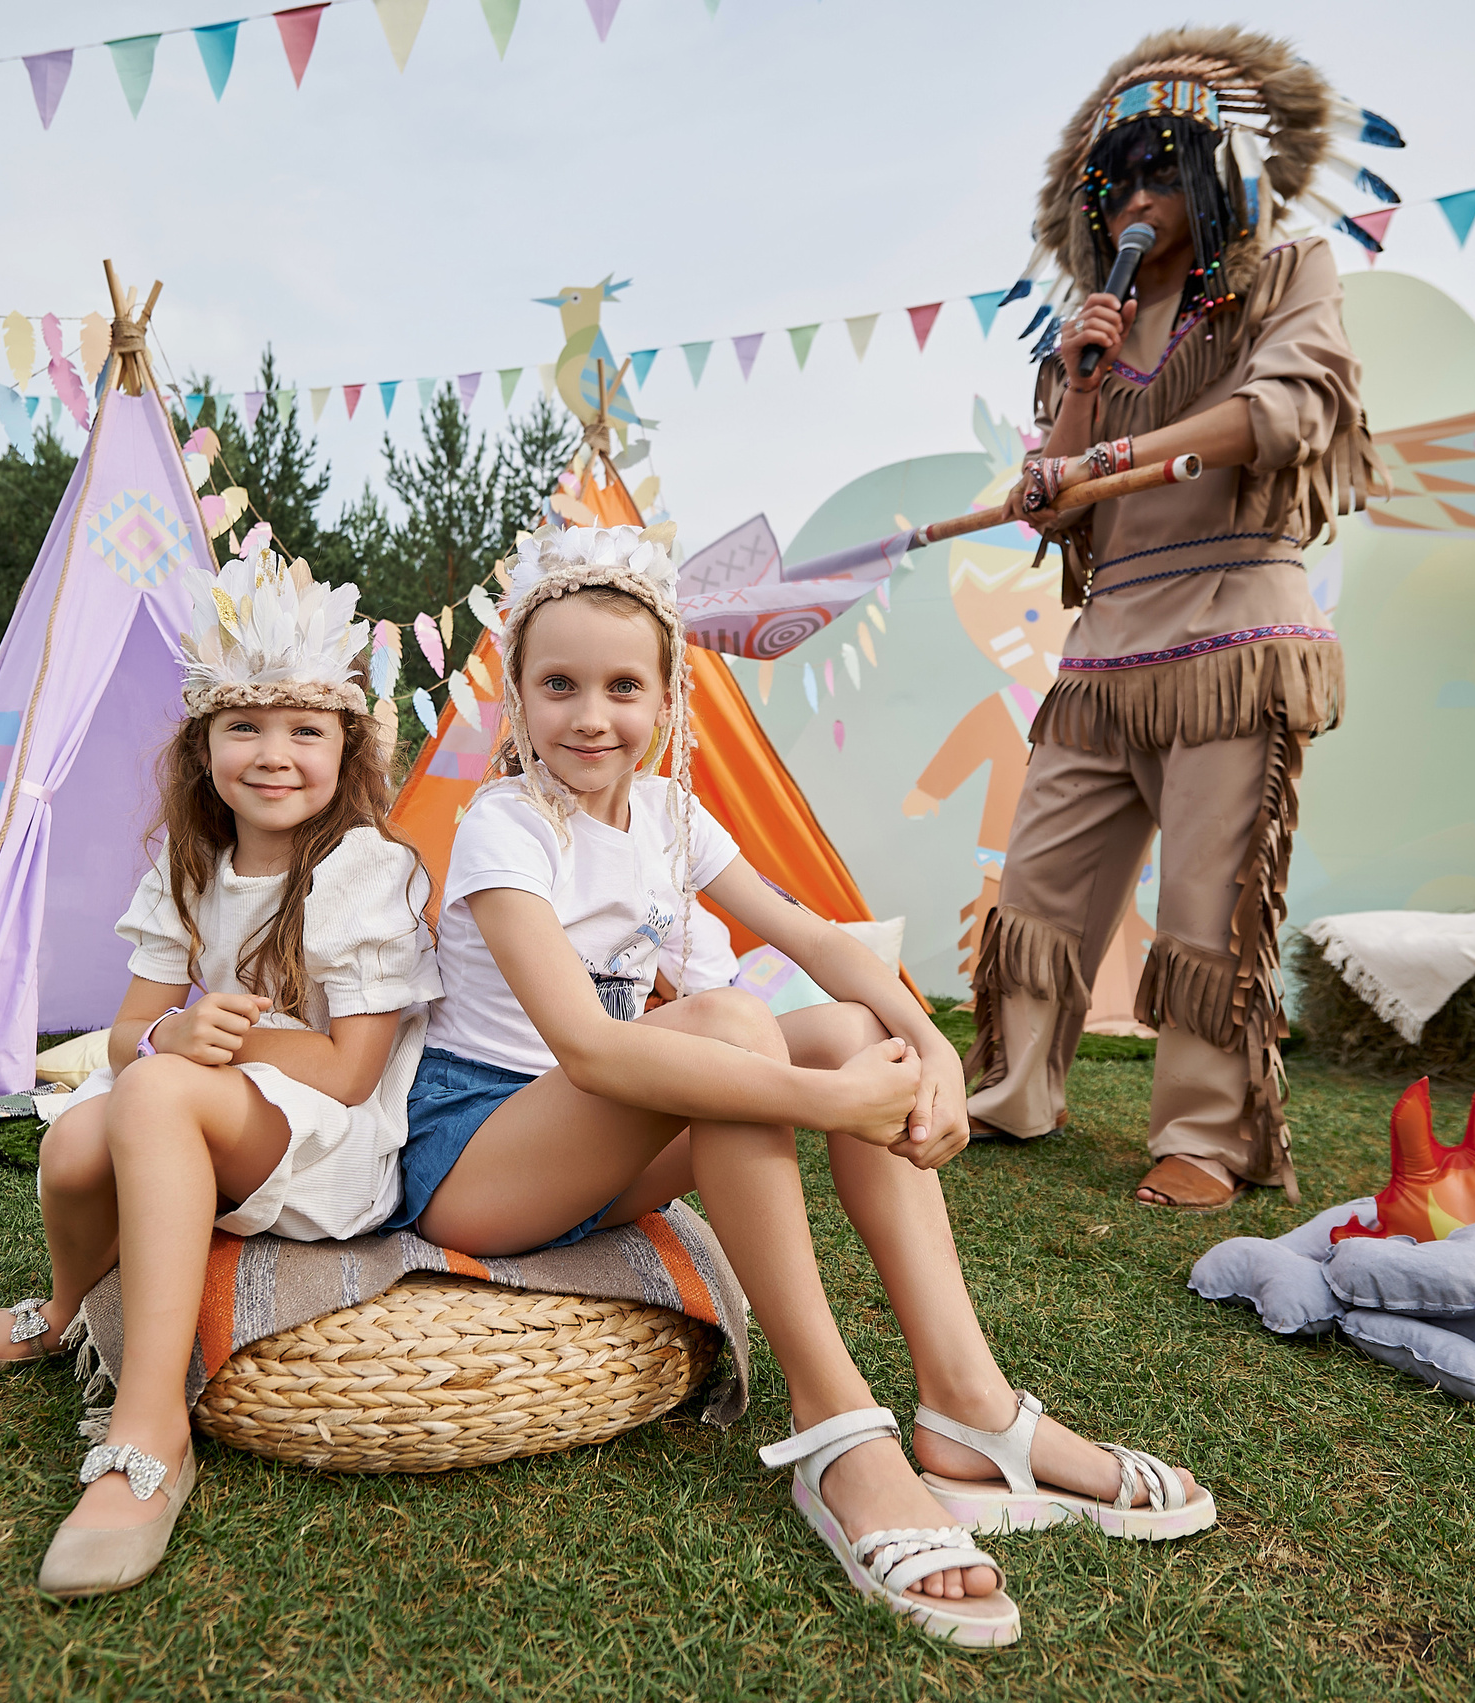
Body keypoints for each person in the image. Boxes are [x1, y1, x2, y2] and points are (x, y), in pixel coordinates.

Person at [393, 521, 1212, 1652]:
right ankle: (834, 1424)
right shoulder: (505, 827)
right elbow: (587, 1047)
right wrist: (823, 1104)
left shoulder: (671, 818)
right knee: (733, 1027)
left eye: (623, 684)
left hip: (608, 1141)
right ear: (518, 699)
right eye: (559, 684)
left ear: (668, 697)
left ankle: (969, 1405)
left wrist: (926, 1047)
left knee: (830, 1025)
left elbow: (818, 938)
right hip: (479, 1151)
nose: (592, 714)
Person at [0, 531, 441, 1599]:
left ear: (347, 748)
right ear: (204, 747)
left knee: (150, 1093)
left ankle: (150, 1433)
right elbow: (127, 1033)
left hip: (326, 1144)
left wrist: (191, 1046)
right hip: (205, 1101)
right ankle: (62, 1310)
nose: (274, 752)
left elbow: (346, 1072)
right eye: (244, 725)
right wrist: (165, 1036)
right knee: (68, 1145)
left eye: (304, 727)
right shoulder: (188, 866)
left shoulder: (362, 870)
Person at [964, 26, 1398, 1211]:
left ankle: (1205, 1134)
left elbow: (1286, 409)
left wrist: (1115, 450)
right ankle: (1011, 1090)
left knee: (1209, 896)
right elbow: (1055, 509)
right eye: (1120, 182)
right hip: (1106, 646)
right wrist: (1081, 393)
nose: (1139, 203)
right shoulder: (1088, 331)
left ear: (1221, 181)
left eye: (1167, 174)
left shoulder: (1286, 274)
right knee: (1041, 884)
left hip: (1236, 633)